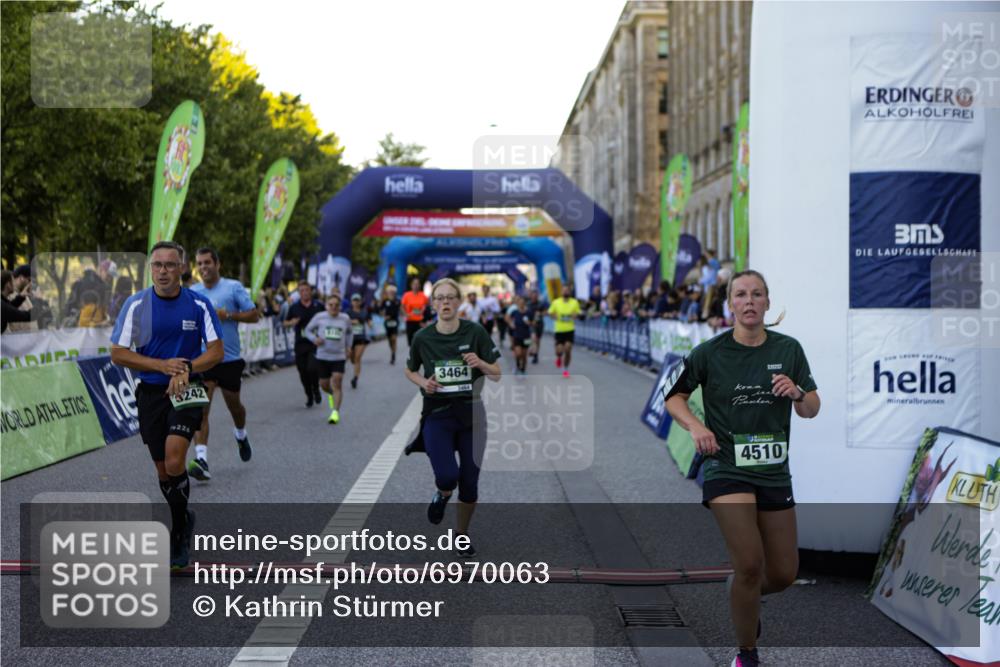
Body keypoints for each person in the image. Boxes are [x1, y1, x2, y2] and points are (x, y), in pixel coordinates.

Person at [664, 270, 820, 667]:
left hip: (773, 471)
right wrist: (696, 426)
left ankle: (742, 592)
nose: (749, 301)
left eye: (757, 294)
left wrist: (798, 393)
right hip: (726, 467)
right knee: (750, 563)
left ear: (768, 303)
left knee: (783, 573)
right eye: (740, 295)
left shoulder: (790, 349)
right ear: (730, 304)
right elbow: (674, 398)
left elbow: (811, 409)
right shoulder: (709, 352)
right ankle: (746, 654)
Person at [110, 241, 224, 569]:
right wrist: (162, 366)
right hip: (151, 393)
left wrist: (186, 368)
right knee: (163, 471)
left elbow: (216, 351)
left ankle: (177, 534)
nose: (163, 271)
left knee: (176, 460)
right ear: (151, 269)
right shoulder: (136, 305)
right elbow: (118, 353)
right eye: (157, 265)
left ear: (182, 269)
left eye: (170, 265)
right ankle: (183, 518)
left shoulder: (198, 304)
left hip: (188, 389)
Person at [404, 278, 502, 558]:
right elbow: (409, 370)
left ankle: (460, 535)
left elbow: (496, 374)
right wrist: (424, 383)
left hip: (472, 415)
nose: (445, 302)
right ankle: (442, 494)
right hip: (437, 414)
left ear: (459, 302)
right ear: (432, 304)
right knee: (448, 476)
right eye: (440, 298)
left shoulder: (476, 332)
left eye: (450, 297)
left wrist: (480, 363)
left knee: (470, 482)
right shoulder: (422, 337)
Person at [187, 248, 259, 480]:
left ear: (218, 264)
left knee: (234, 407)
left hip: (229, 358)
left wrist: (227, 315)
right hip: (203, 359)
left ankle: (240, 434)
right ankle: (202, 460)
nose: (203, 267)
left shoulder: (233, 287)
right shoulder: (192, 292)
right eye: (199, 263)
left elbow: (254, 315)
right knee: (201, 410)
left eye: (207, 262)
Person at [304, 293, 353, 424]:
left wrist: (349, 347)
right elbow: (307, 330)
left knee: (337, 381)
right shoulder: (319, 317)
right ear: (326, 306)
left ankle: (335, 412)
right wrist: (314, 339)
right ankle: (331, 393)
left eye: (336, 305)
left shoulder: (345, 318)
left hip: (339, 356)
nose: (333, 307)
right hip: (323, 356)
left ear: (340, 306)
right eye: (331, 305)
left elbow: (349, 332)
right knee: (324, 385)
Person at [284, 282, 324, 407]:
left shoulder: (318, 305)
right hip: (300, 343)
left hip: (315, 343)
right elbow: (285, 322)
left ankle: (316, 389)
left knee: (312, 368)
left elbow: (327, 319)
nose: (304, 292)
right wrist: (291, 322)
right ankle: (309, 394)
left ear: (310, 291)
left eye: (306, 290)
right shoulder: (294, 307)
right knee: (302, 371)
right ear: (299, 293)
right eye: (301, 291)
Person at [547, 283, 581, 378]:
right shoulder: (556, 302)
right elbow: (550, 313)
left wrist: (575, 316)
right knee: (559, 350)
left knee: (568, 348)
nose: (566, 291)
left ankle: (565, 369)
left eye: (567, 290)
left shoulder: (574, 302)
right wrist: (554, 316)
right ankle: (558, 357)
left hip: (570, 329)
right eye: (564, 290)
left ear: (570, 292)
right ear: (561, 291)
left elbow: (578, 313)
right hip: (559, 330)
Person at [344, 293, 373, 390]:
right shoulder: (347, 312)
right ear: (351, 302)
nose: (356, 302)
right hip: (350, 338)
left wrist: (370, 324)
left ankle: (355, 378)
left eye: (357, 300)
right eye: (354, 300)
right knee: (352, 358)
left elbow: (369, 320)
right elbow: (342, 322)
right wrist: (352, 322)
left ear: (360, 302)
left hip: (361, 338)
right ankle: (354, 373)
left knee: (357, 358)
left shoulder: (365, 311)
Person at [505, 294, 533, 375]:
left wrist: (529, 323)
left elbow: (534, 323)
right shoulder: (515, 312)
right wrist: (511, 324)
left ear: (524, 304)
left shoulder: (529, 312)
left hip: (526, 336)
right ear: (517, 304)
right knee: (518, 353)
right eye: (519, 303)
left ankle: (523, 369)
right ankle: (517, 366)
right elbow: (506, 317)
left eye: (522, 303)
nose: (521, 304)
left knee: (524, 355)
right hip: (517, 335)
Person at [377, 284, 402, 365]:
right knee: (390, 339)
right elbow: (380, 311)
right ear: (388, 293)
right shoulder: (385, 301)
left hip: (395, 321)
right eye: (390, 292)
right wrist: (383, 315)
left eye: (393, 292)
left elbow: (399, 310)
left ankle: (393, 354)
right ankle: (392, 351)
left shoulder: (397, 301)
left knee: (394, 338)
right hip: (387, 322)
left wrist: (405, 314)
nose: (391, 293)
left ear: (395, 292)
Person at [402, 277, 429, 347]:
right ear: (411, 285)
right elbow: (402, 306)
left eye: (417, 284)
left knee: (420, 340)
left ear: (419, 285)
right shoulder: (407, 295)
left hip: (420, 321)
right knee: (410, 342)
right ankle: (413, 356)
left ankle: (419, 356)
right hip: (410, 321)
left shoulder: (423, 295)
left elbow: (428, 306)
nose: (416, 286)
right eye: (414, 284)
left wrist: (424, 310)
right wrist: (406, 314)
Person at [526, 288, 546, 365]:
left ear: (537, 296)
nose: (534, 297)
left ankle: (536, 355)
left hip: (539, 324)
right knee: (533, 338)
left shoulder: (541, 304)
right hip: (531, 324)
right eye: (533, 296)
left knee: (537, 340)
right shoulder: (528, 304)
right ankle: (532, 350)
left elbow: (546, 312)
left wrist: (540, 314)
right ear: (531, 296)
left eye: (535, 296)